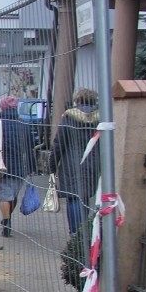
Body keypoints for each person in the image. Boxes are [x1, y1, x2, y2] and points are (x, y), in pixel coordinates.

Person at [54, 88, 100, 234]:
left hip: (70, 164)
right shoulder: (100, 118)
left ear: (78, 100)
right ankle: (83, 232)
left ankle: (75, 233)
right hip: (92, 163)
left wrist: (52, 165)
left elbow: (59, 143)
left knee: (73, 198)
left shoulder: (69, 117)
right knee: (85, 197)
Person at [0, 95, 36, 237]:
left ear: (2, 107)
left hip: (3, 165)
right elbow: (30, 147)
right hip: (20, 166)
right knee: (13, 195)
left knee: (5, 196)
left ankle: (7, 222)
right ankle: (8, 218)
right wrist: (31, 167)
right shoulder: (24, 124)